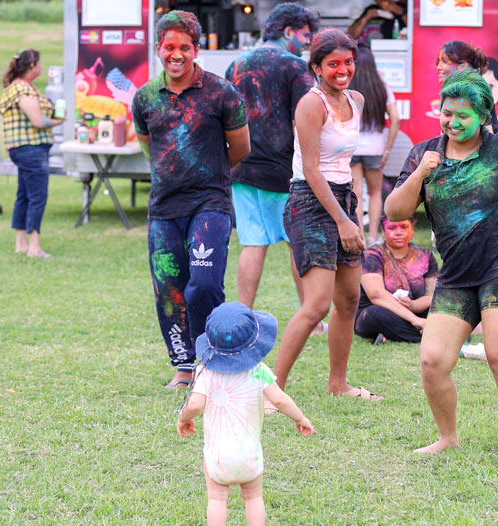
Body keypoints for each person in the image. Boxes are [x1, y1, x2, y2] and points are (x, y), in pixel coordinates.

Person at [384, 70, 498, 466]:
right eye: (447, 113)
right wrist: (419, 174)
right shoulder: (423, 153)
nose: (453, 122)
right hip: (458, 274)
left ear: (483, 117)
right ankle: (447, 438)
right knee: (433, 360)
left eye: (463, 116)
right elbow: (395, 212)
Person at [132, 11, 251, 389]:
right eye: (170, 47)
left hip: (210, 206)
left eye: (185, 47)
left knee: (202, 284)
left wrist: (206, 173)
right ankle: (185, 367)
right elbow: (151, 149)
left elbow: (241, 147)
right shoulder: (145, 97)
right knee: (169, 289)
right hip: (164, 209)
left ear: (197, 49)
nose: (177, 54)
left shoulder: (222, 92)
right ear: (158, 49)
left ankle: (212, 359)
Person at [276, 28, 382, 401]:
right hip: (310, 201)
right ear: (317, 67)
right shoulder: (311, 104)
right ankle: (272, 390)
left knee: (349, 300)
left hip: (342, 200)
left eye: (348, 62)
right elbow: (312, 168)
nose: (342, 69)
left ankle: (338, 384)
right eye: (333, 64)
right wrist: (342, 219)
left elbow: (344, 163)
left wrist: (351, 210)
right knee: (317, 304)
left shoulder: (357, 99)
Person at [177, 302, 314, 526]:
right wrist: (300, 418)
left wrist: (184, 418)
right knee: (253, 497)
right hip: (249, 455)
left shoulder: (205, 371)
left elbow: (196, 405)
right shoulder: (258, 370)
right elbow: (280, 400)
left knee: (217, 499)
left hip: (217, 457)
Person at [225, 3, 321, 315]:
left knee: (253, 243)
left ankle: (242, 313)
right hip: (285, 171)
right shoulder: (295, 67)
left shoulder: (236, 65)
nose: (307, 43)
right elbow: (304, 121)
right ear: (289, 31)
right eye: (305, 35)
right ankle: (311, 317)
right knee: (298, 245)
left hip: (241, 167)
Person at [0, 49, 64, 258]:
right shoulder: (22, 90)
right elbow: (38, 121)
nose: (41, 67)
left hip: (23, 149)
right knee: (37, 196)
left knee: (24, 195)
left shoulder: (20, 87)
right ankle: (34, 246)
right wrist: (57, 121)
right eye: (39, 63)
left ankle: (21, 244)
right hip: (31, 148)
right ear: (32, 66)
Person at [355, 215, 438, 343]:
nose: (399, 232)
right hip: (381, 311)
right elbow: (376, 295)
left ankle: (394, 334)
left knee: (440, 310)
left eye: (404, 227)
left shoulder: (425, 256)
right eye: (392, 228)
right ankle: (432, 335)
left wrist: (413, 305)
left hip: (415, 311)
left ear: (412, 229)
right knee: (374, 314)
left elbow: (431, 295)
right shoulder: (372, 256)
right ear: (383, 231)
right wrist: (414, 320)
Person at [349, 45, 400, 246]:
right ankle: (373, 237)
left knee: (356, 193)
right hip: (376, 149)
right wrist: (388, 148)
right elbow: (395, 119)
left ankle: (359, 235)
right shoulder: (383, 87)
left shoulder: (348, 89)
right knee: (375, 192)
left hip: (351, 147)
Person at [434, 41, 498, 134]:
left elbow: (488, 136)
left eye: (445, 61)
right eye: (438, 61)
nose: (438, 66)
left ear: (462, 66)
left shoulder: (476, 93)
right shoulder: (453, 92)